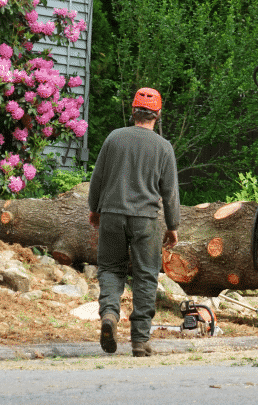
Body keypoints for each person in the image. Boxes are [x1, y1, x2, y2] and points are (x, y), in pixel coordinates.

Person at [88, 87, 180, 357]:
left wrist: (95, 209)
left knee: (110, 269)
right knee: (145, 276)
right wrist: (173, 226)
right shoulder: (163, 147)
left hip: (112, 215)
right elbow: (170, 192)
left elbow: (98, 178)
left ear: (133, 111)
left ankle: (109, 315)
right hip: (145, 220)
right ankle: (139, 341)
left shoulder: (114, 139)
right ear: (158, 115)